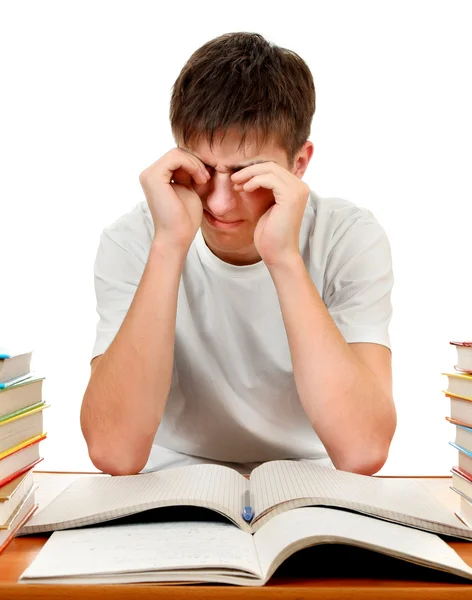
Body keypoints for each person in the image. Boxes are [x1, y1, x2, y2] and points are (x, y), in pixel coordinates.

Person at [80, 32, 397, 477]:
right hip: (171, 479)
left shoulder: (349, 238)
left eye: (247, 173)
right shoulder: (134, 238)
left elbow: (363, 450)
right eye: (203, 170)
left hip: (315, 478)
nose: (219, 202)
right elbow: (114, 452)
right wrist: (169, 246)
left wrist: (284, 258)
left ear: (299, 164)